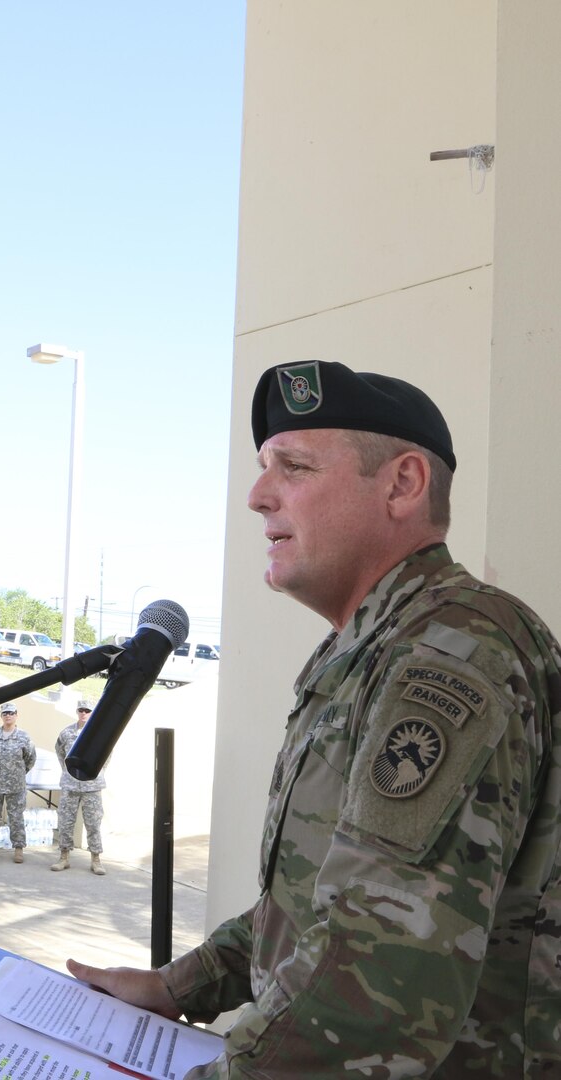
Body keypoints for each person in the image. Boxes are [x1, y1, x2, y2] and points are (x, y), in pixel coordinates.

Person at [68, 360, 561, 1077]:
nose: (258, 496)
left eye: (293, 467)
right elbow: (307, 904)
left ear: (403, 484)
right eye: (265, 468)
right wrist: (182, 986)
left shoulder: (452, 651)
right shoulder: (368, 645)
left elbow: (378, 984)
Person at [51, 698, 106, 876]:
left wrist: (94, 773)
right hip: (70, 784)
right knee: (66, 821)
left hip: (92, 786)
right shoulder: (66, 733)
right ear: (77, 712)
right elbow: (60, 753)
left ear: (93, 712)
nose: (84, 713)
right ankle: (64, 857)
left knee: (93, 823)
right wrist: (69, 773)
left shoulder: (100, 733)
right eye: (81, 710)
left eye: (87, 710)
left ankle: (96, 859)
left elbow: (106, 756)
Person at [0, 703, 35, 863]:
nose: (8, 716)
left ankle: (18, 849)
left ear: (16, 715)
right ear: (1, 716)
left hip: (16, 785)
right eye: (5, 713)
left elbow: (30, 759)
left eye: (11, 713)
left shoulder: (24, 737)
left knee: (16, 817)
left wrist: (18, 772)